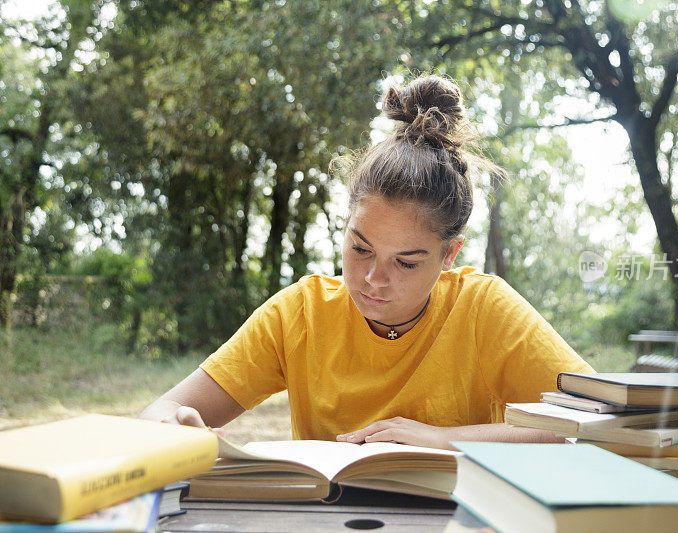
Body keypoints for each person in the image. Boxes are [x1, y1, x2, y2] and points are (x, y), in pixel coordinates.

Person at [140, 75, 593, 450]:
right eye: (360, 249)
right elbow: (156, 413)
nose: (374, 280)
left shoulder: (483, 309)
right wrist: (169, 427)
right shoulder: (301, 314)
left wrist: (444, 439)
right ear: (346, 225)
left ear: (449, 255)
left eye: (407, 263)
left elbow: (600, 422)